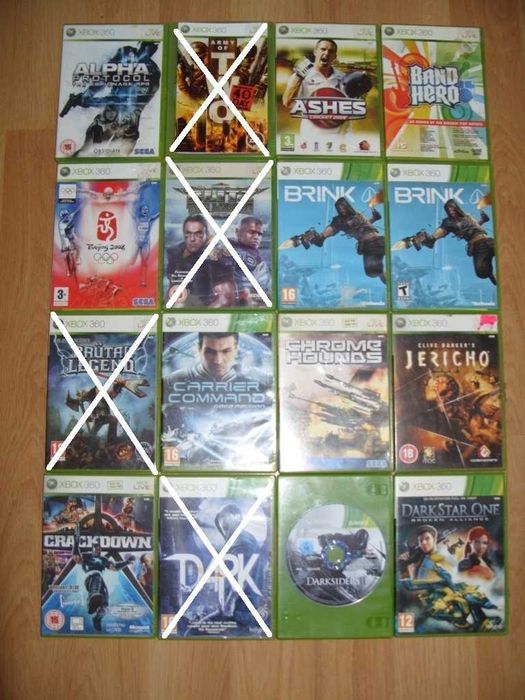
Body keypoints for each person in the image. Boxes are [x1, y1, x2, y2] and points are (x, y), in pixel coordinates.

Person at [60, 41, 161, 156]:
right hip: (108, 120)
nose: (149, 49)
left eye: (153, 46)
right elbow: (104, 78)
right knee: (85, 153)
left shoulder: (153, 72)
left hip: (127, 128)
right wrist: (86, 95)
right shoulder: (126, 53)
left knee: (114, 159)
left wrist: (88, 101)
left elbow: (125, 103)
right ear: (140, 44)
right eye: (147, 45)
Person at [282, 39, 371, 149]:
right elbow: (287, 102)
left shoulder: (342, 77)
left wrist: (361, 92)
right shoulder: (300, 76)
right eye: (323, 49)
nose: (327, 53)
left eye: (331, 51)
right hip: (312, 139)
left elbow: (355, 109)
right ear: (315, 52)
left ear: (334, 57)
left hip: (341, 139)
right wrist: (299, 76)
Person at [397, 198, 496, 285]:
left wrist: (483, 220)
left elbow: (474, 227)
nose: (451, 211)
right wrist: (430, 238)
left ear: (457, 208)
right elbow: (442, 231)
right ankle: (492, 275)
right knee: (482, 273)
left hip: (488, 241)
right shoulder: (449, 222)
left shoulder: (467, 217)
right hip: (479, 248)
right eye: (448, 210)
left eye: (452, 209)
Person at [289, 196, 385, 283]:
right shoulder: (354, 217)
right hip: (374, 244)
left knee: (374, 271)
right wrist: (374, 218)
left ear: (347, 206)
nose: (342, 210)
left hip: (374, 244)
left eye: (343, 207)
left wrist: (320, 237)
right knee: (373, 272)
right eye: (340, 208)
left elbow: (362, 226)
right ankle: (386, 278)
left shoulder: (350, 218)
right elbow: (362, 227)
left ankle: (386, 277)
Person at [71, 523, 135, 631]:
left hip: (100, 581)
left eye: (99, 548)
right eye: (96, 548)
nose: (98, 550)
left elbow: (114, 567)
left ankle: (97, 618)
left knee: (105, 605)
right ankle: (92, 596)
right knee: (97, 576)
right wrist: (76, 540)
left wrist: (126, 562)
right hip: (90, 578)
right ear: (92, 548)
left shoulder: (103, 559)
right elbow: (76, 557)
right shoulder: (86, 556)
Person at [165, 214, 234, 307]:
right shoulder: (175, 253)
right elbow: (172, 287)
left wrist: (205, 313)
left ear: (206, 234)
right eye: (188, 233)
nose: (192, 239)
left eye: (198, 234)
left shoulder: (218, 256)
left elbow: (225, 297)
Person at [224, 216, 270, 305]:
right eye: (251, 232)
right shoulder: (226, 249)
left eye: (259, 234)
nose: (256, 237)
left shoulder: (258, 259)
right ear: (237, 232)